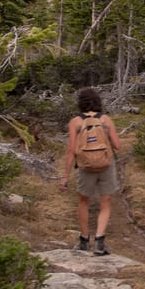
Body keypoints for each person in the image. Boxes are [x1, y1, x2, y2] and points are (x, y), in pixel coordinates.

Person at [61, 87, 121, 255]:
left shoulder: (75, 122)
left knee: (83, 202)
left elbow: (72, 150)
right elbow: (117, 146)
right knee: (105, 201)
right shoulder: (106, 120)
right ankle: (100, 242)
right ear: (98, 102)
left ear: (80, 103)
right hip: (106, 166)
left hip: (85, 166)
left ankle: (84, 241)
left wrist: (65, 176)